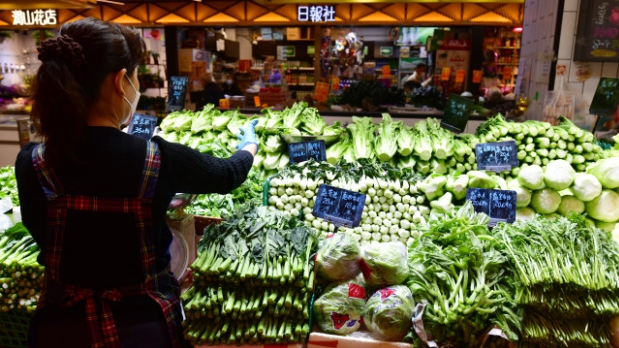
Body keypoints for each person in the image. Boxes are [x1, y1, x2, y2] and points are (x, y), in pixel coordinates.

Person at [14, 18, 258, 348]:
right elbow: (228, 174)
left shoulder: (33, 162)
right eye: (135, 75)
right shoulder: (157, 159)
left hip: (61, 330)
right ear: (120, 82)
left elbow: (42, 232)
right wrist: (249, 145)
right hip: (143, 329)